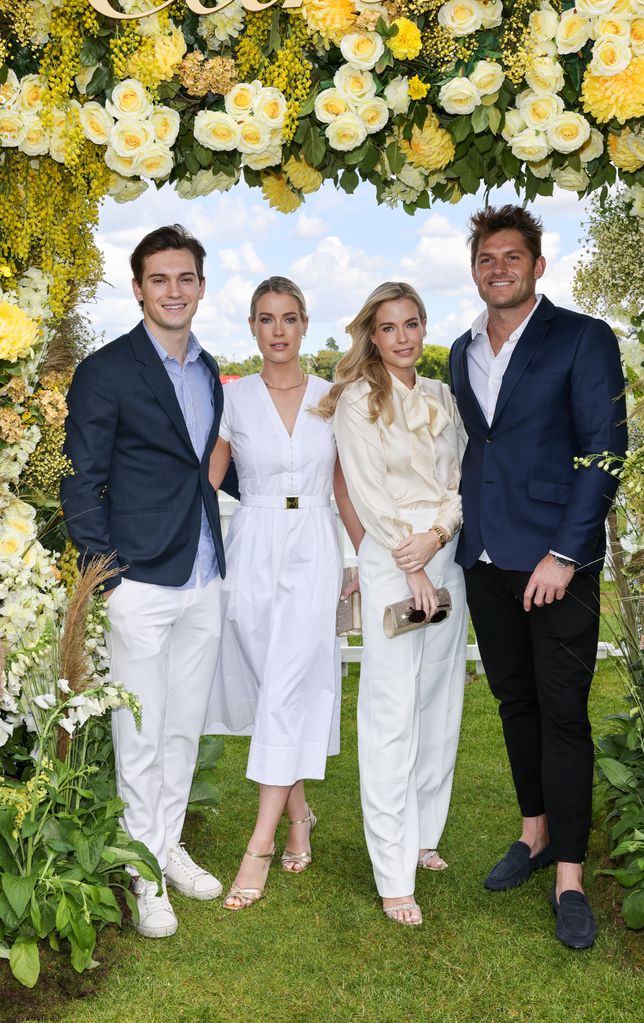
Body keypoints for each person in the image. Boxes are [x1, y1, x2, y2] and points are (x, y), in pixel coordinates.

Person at [449, 204, 627, 950]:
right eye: (486, 258)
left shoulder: (582, 338)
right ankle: (532, 835)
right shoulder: (460, 350)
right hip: (486, 558)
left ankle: (570, 877)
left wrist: (563, 553)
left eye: (511, 257)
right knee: (513, 703)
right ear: (475, 269)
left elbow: (601, 451)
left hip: (555, 563)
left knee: (562, 714)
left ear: (537, 265)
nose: (498, 268)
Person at [62, 224, 230, 939]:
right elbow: (81, 481)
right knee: (141, 728)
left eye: (185, 277)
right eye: (158, 278)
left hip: (202, 572)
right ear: (138, 288)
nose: (173, 290)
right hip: (139, 581)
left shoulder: (209, 368)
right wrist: (109, 577)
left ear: (199, 285)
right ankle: (143, 870)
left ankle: (165, 842)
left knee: (183, 725)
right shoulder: (106, 370)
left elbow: (202, 468)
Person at [206, 277, 363, 911]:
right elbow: (205, 484)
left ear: (304, 325)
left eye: (290, 318)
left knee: (291, 681)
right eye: (266, 319)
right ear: (252, 327)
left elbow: (345, 485)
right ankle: (301, 814)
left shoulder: (334, 398)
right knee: (272, 684)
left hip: (317, 544)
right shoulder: (233, 400)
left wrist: (360, 558)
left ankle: (261, 844)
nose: (278, 329)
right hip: (252, 545)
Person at [319, 281, 468, 927]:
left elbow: (461, 479)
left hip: (443, 553)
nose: (403, 337)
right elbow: (365, 488)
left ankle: (422, 834)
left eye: (412, 323)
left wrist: (438, 536)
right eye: (389, 327)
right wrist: (410, 563)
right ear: (371, 335)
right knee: (389, 710)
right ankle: (390, 870)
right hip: (391, 562)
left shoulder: (440, 396)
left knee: (439, 700)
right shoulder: (357, 399)